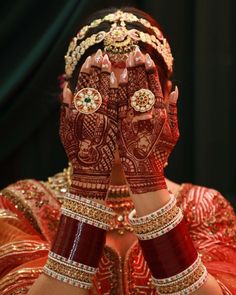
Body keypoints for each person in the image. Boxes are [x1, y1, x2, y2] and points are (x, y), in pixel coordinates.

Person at [0, 7, 235, 295]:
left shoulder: (205, 208)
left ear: (167, 99)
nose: (117, 115)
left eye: (138, 96)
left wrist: (147, 181)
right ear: (69, 100)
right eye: (100, 96)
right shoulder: (22, 207)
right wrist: (88, 182)